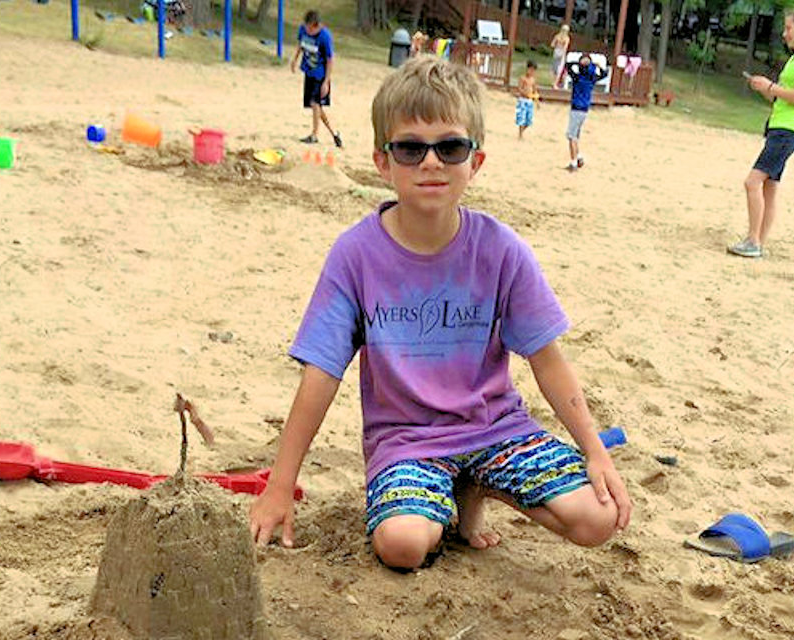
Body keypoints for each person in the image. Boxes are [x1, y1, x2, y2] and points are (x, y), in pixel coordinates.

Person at [249, 56, 632, 571]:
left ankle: (476, 486)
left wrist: (595, 451)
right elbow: (321, 374)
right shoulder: (354, 256)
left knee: (598, 518)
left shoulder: (502, 250)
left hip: (496, 427)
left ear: (474, 162)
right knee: (402, 546)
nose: (431, 163)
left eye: (450, 147)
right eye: (410, 148)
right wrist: (279, 485)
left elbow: (546, 358)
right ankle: (452, 495)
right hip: (406, 440)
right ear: (383, 162)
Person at [729, 3, 794, 259]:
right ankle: (758, 240)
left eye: (789, 28)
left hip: (788, 130)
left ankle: (753, 241)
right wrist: (765, 89)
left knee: (752, 182)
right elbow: (783, 96)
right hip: (781, 127)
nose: (785, 33)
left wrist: (770, 86)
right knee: (769, 187)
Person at [290, 9, 343, 148]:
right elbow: (300, 45)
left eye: (310, 29)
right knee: (316, 106)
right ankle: (334, 132)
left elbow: (330, 59)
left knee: (315, 103)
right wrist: (294, 60)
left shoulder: (325, 37)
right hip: (309, 71)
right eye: (306, 27)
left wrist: (326, 82)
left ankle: (314, 135)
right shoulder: (303, 30)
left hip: (320, 75)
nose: (307, 31)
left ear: (316, 25)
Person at [556, 52, 607, 171]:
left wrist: (578, 62)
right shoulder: (592, 79)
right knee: (576, 136)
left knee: (571, 136)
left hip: (576, 108)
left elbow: (568, 66)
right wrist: (595, 65)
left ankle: (573, 162)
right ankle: (578, 157)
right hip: (584, 110)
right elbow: (604, 73)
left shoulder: (577, 77)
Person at [516, 60, 540, 140]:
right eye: (530, 70)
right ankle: (520, 134)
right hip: (522, 100)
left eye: (533, 70)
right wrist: (524, 94)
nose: (531, 72)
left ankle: (522, 131)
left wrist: (537, 101)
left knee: (529, 120)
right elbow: (519, 89)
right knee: (521, 118)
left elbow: (535, 90)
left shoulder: (533, 80)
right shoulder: (522, 78)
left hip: (529, 100)